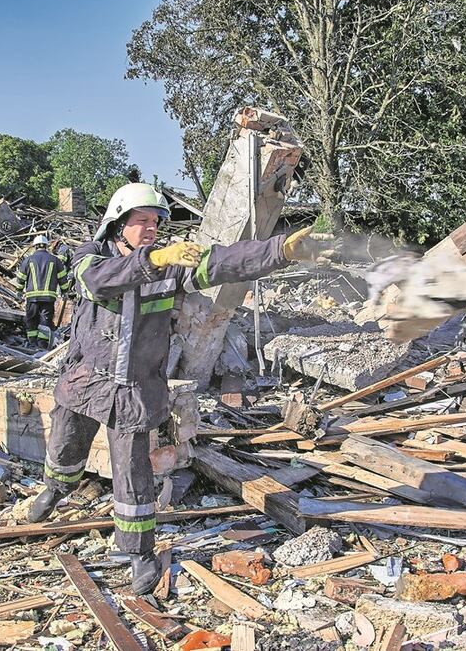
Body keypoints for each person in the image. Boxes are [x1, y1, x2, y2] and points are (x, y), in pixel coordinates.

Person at [26, 182, 329, 594]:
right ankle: (55, 490)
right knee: (65, 444)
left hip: (134, 387)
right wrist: (154, 260)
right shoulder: (89, 258)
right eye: (141, 221)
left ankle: (138, 552)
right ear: (117, 224)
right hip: (86, 378)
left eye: (155, 222)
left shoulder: (171, 267)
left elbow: (222, 262)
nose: (151, 228)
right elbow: (100, 283)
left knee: (133, 472)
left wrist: (278, 251)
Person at [16, 235, 71, 350]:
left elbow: (21, 277)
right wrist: (65, 291)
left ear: (35, 247)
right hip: (48, 298)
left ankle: (32, 343)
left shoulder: (29, 260)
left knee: (32, 319)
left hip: (32, 297)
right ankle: (42, 345)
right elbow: (62, 278)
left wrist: (19, 292)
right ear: (47, 246)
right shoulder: (55, 260)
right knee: (45, 321)